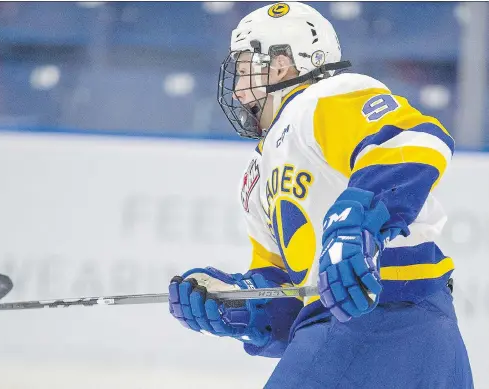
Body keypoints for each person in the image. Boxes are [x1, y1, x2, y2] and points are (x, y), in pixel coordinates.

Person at [168, 2, 474, 388]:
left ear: (283, 64)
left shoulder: (324, 98)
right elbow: (290, 297)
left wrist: (358, 220)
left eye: (246, 70)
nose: (239, 89)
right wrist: (237, 303)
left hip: (378, 315)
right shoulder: (257, 175)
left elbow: (411, 140)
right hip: (403, 327)